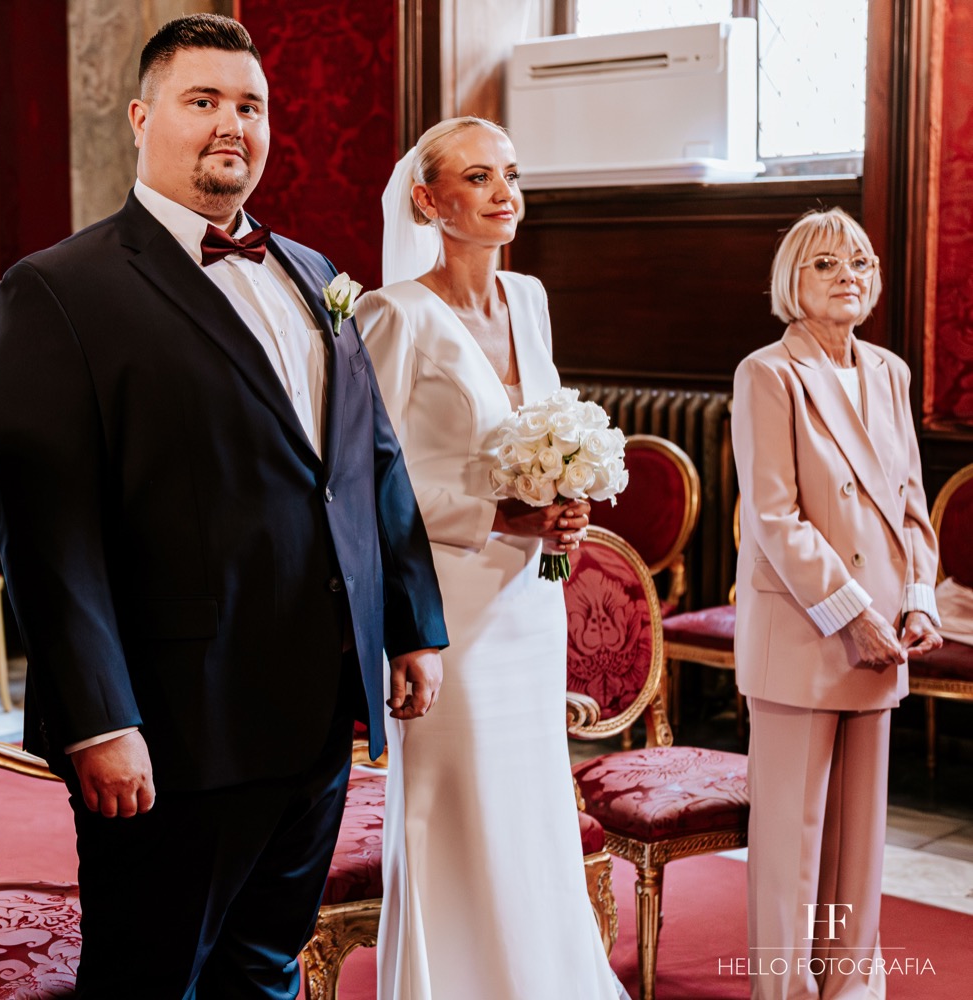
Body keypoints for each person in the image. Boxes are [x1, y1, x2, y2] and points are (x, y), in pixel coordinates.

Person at [0, 13, 448, 998]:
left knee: (265, 967)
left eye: (251, 105)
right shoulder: (56, 291)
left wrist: (410, 623)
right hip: (174, 719)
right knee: (151, 980)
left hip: (316, 704)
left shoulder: (313, 273)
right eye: (203, 100)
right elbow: (47, 534)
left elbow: (369, 457)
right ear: (141, 118)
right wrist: (99, 719)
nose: (233, 123)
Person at [358, 117, 620, 1000]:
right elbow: (368, 480)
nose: (504, 192)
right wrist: (496, 511)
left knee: (530, 803)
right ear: (428, 200)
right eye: (477, 177)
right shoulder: (394, 314)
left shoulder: (530, 298)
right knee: (459, 806)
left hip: (531, 600)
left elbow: (540, 431)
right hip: (449, 607)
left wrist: (566, 496)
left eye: (511, 173)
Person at [734, 207, 941, 1000]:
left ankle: (849, 986)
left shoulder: (890, 371)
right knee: (792, 841)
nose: (846, 274)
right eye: (824, 263)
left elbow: (910, 501)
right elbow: (774, 517)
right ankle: (784, 991)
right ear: (792, 281)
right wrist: (854, 614)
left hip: (886, 633)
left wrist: (917, 602)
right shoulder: (768, 373)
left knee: (858, 842)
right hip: (809, 627)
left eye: (859, 261)